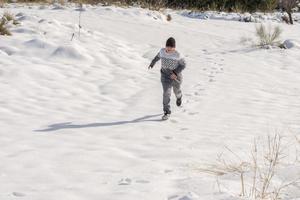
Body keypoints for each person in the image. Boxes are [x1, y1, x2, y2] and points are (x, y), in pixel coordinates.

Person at [148, 37, 186, 120]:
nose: (168, 50)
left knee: (177, 91)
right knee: (166, 93)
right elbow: (158, 57)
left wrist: (175, 72)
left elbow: (183, 65)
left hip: (176, 77)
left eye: (170, 49)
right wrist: (152, 63)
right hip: (165, 76)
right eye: (167, 48)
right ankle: (167, 112)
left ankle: (179, 97)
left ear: (174, 48)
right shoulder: (162, 51)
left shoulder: (178, 54)